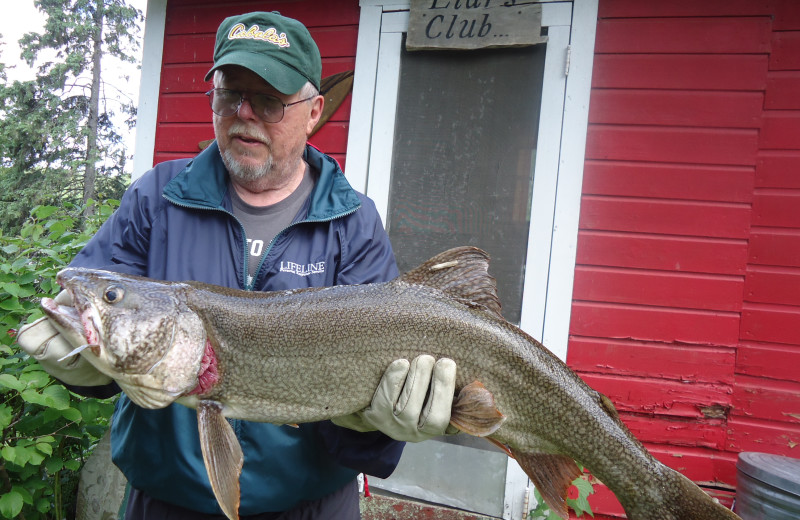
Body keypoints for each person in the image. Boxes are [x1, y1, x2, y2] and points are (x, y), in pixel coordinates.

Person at [17, 11, 457, 520]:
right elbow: (111, 338)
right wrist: (78, 368)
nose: (244, 113)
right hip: (162, 505)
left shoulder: (353, 225)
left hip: (311, 509)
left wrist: (377, 425)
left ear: (313, 112)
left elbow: (364, 441)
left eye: (268, 100)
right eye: (230, 93)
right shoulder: (156, 199)